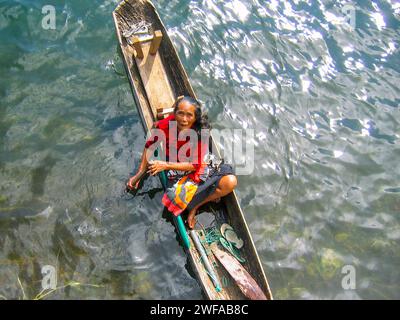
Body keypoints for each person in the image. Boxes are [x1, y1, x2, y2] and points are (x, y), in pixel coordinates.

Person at [126, 96, 237, 229]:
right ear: (174, 113)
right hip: (178, 170)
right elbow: (150, 145)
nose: (184, 119)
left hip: (198, 166)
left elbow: (196, 165)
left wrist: (165, 165)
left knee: (230, 182)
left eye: (189, 115)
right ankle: (197, 200)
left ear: (195, 117)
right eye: (180, 113)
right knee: (175, 198)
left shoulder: (201, 132)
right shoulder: (167, 125)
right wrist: (139, 172)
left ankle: (196, 207)